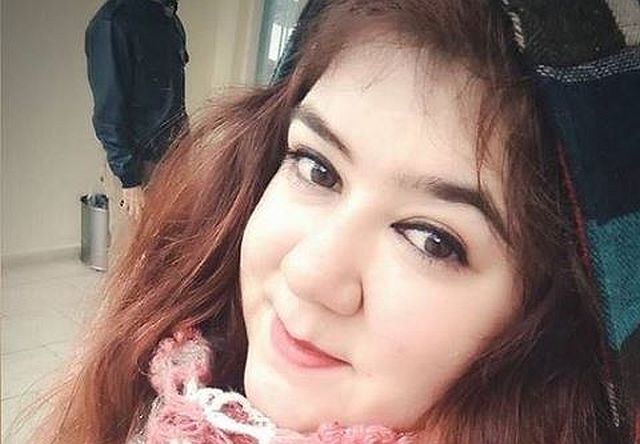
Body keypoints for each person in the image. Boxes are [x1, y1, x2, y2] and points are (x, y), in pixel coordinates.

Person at [36, 0, 639, 442]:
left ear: (545, 324)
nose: (309, 273)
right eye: (317, 169)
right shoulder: (163, 389)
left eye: (432, 240)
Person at [85, 0, 188, 223]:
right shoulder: (113, 23)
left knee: (166, 239)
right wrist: (129, 179)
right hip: (137, 166)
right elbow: (108, 113)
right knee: (132, 241)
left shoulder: (167, 17)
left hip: (172, 159)